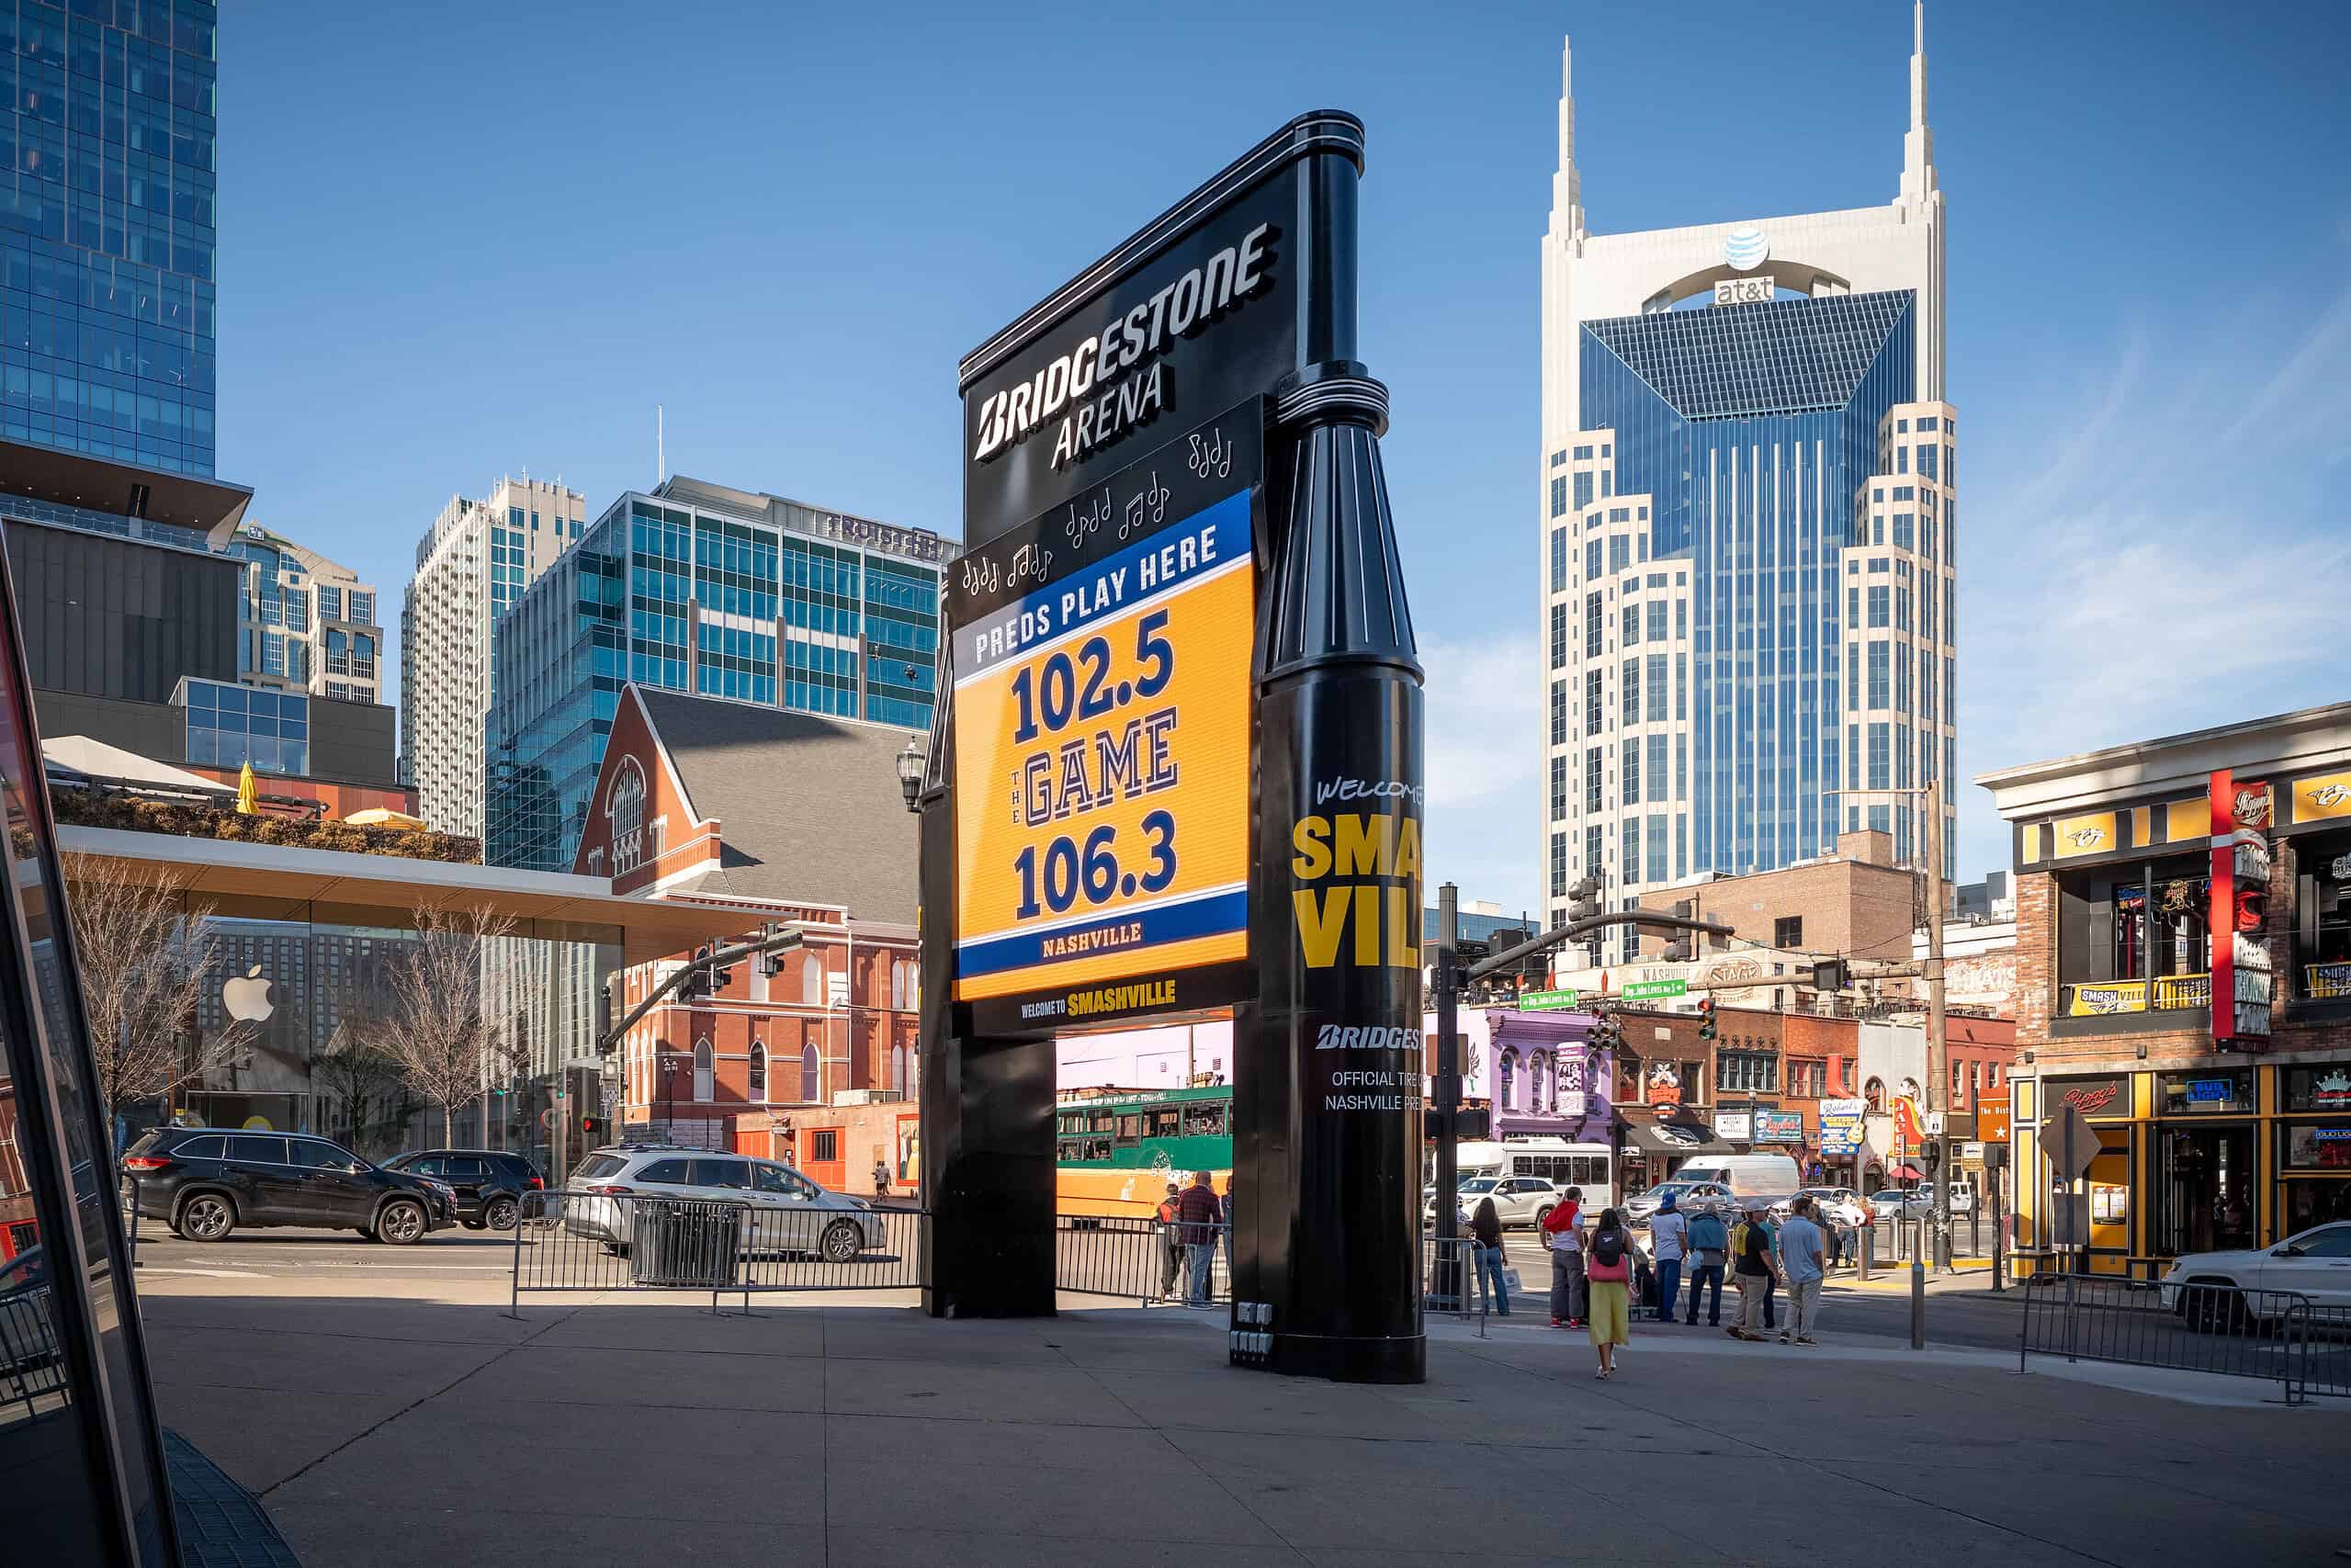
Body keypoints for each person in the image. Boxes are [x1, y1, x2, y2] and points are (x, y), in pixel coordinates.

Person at [1582, 1207, 1645, 1378]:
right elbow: (1631, 1250)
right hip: (1618, 1283)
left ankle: (1604, 1366)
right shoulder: (1622, 1231)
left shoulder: (1596, 1232)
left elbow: (1589, 1250)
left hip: (1599, 1284)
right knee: (1615, 1322)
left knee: (1601, 1323)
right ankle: (1609, 1361)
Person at [1727, 1200, 1781, 1341]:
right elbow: (1765, 1253)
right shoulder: (1759, 1232)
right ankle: (1750, 1330)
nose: (1765, 1213)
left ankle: (1735, 1323)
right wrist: (1774, 1271)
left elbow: (1736, 1249)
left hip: (1742, 1268)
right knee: (1754, 1300)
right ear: (1755, 1213)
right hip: (1755, 1271)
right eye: (1762, 1211)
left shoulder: (1741, 1227)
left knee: (1746, 1297)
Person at [1777, 1194, 1825, 1345]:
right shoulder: (1811, 1228)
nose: (1813, 1212)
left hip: (1793, 1272)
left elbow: (1781, 1250)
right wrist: (1821, 1269)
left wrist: (1788, 1265)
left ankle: (1786, 1331)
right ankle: (1804, 1336)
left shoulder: (1785, 1227)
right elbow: (1817, 1253)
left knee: (1793, 1302)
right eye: (1811, 1209)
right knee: (1809, 1305)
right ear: (1804, 1210)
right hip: (1811, 1272)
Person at [1175, 1170, 1222, 1306]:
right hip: (1203, 1238)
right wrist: (1213, 1236)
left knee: (1194, 1267)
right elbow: (1218, 1219)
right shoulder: (1211, 1197)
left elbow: (1181, 1216)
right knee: (1200, 1269)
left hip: (1189, 1236)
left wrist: (1185, 1231)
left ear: (1196, 1179)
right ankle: (1195, 1297)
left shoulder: (1185, 1195)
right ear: (1209, 1181)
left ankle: (1196, 1295)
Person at [1543, 1185, 1585, 1328]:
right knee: (1575, 1287)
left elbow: (1544, 1226)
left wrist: (1545, 1244)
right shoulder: (1575, 1212)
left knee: (1557, 1286)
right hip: (1572, 1252)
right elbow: (1577, 1228)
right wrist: (1581, 1245)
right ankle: (1574, 1318)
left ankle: (1556, 1317)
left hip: (1557, 1252)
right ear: (1577, 1197)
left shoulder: (1557, 1210)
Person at [1683, 1200, 1729, 1327]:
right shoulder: (1722, 1226)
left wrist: (1694, 1254)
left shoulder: (1695, 1224)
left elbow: (1690, 1244)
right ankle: (1714, 1319)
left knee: (1696, 1290)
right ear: (1716, 1212)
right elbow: (1727, 1246)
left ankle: (1692, 1317)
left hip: (1700, 1259)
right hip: (1717, 1260)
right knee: (1716, 1291)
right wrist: (1725, 1259)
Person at [1646, 1190, 1688, 1323]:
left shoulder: (1655, 1216)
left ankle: (1660, 1310)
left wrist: (1655, 1250)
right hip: (1674, 1254)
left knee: (1661, 1284)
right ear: (1674, 1203)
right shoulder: (1677, 1217)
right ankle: (1667, 1314)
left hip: (1660, 1254)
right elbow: (1682, 1238)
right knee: (1671, 1285)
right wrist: (1684, 1252)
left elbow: (1653, 1236)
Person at [1470, 1195, 1511, 1316]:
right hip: (1494, 1251)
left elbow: (1468, 1231)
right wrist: (1504, 1255)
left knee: (1483, 1282)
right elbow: (1500, 1239)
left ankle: (1485, 1308)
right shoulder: (1495, 1220)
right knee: (1498, 1281)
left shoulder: (1478, 1220)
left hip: (1480, 1250)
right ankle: (1503, 1309)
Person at [1155, 1182, 1184, 1301]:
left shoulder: (1162, 1207)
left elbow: (1158, 1222)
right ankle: (1173, 1288)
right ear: (1177, 1192)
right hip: (1181, 1236)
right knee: (1177, 1263)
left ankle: (1167, 1289)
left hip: (1166, 1236)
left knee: (1168, 1263)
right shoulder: (1183, 1205)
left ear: (1167, 1192)